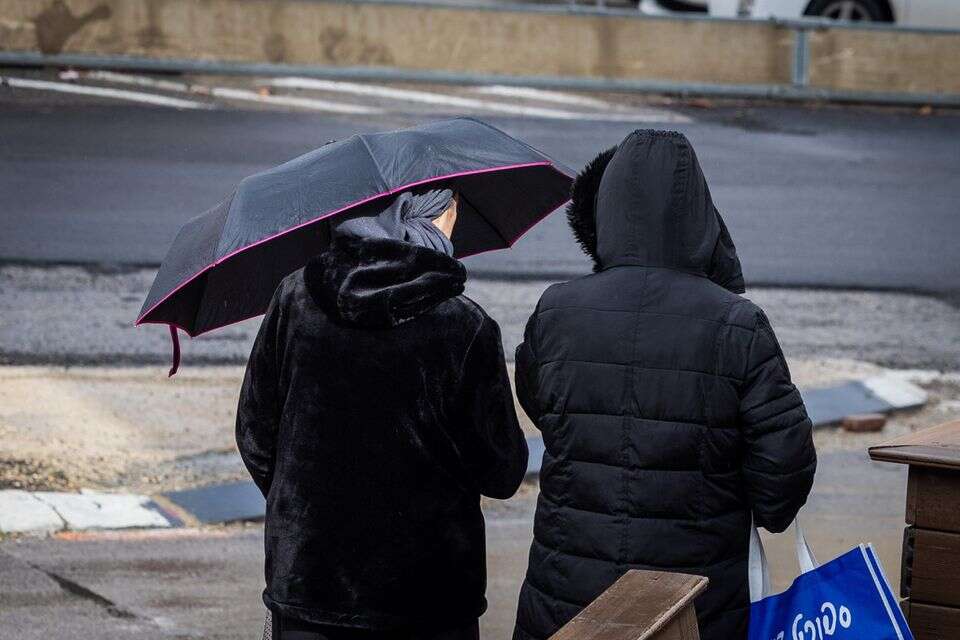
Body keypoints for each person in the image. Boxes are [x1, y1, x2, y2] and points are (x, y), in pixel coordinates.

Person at [511, 130, 817, 640]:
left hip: (565, 598)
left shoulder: (556, 310)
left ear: (606, 209)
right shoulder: (737, 324)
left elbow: (541, 404)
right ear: (701, 215)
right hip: (692, 605)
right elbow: (783, 471)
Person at [236, 188, 528, 640]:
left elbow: (254, 433)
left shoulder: (294, 299)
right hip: (430, 598)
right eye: (453, 209)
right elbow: (501, 471)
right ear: (429, 216)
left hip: (310, 586)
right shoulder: (464, 324)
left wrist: (307, 509)